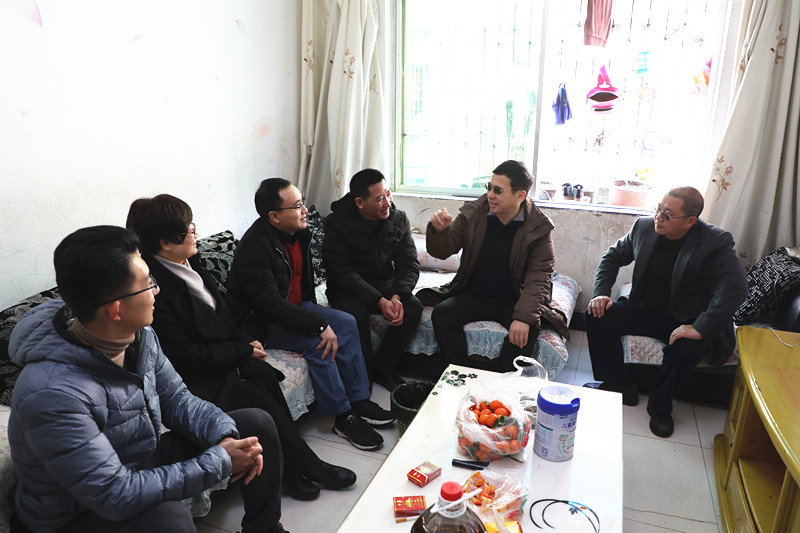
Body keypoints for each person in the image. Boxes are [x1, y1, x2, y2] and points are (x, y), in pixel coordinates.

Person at [7, 225, 288, 533]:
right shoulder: (52, 393)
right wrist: (220, 461)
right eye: (148, 284)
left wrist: (224, 438)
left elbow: (177, 400)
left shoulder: (139, 336)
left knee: (255, 425)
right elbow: (115, 494)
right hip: (76, 511)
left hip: (134, 458)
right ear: (116, 309)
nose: (157, 290)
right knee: (169, 519)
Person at [126, 195, 357, 502]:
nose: (196, 233)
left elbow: (223, 314)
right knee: (256, 398)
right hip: (194, 375)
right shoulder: (158, 290)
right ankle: (309, 467)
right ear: (165, 243)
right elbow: (187, 357)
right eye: (188, 230)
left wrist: (245, 342)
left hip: (221, 355)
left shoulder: (190, 263)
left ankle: (291, 471)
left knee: (265, 374)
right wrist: (242, 352)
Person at [226, 178, 395, 451]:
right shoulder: (255, 248)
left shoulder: (300, 233)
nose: (305, 210)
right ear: (274, 216)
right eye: (297, 206)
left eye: (302, 202)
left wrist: (317, 317)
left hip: (295, 307)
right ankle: (343, 417)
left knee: (347, 322)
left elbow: (301, 287)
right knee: (319, 343)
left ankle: (359, 400)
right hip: (265, 323)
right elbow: (269, 304)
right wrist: (318, 325)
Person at [584, 186, 748, 438]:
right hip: (644, 309)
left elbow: (735, 287)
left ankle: (660, 407)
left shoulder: (715, 242)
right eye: (658, 209)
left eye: (667, 215)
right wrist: (601, 293)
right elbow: (612, 256)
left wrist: (700, 327)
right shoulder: (643, 227)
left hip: (686, 319)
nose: (658, 218)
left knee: (687, 348)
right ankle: (619, 384)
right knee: (596, 315)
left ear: (690, 221)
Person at [420, 160, 569, 373]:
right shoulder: (474, 213)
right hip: (473, 293)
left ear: (520, 195)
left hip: (514, 298)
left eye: (498, 190)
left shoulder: (537, 227)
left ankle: (503, 379)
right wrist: (439, 232)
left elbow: (539, 277)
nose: (490, 195)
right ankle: (462, 373)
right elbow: (444, 250)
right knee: (442, 314)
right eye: (489, 187)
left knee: (529, 328)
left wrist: (523, 318)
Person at [323, 169, 422, 392]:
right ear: (360, 202)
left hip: (384, 284)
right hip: (347, 288)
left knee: (413, 306)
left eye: (388, 194)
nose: (388, 202)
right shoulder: (336, 223)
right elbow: (340, 271)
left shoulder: (398, 219)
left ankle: (384, 369)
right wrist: (378, 301)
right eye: (379, 199)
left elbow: (409, 263)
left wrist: (397, 295)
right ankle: (363, 375)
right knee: (355, 315)